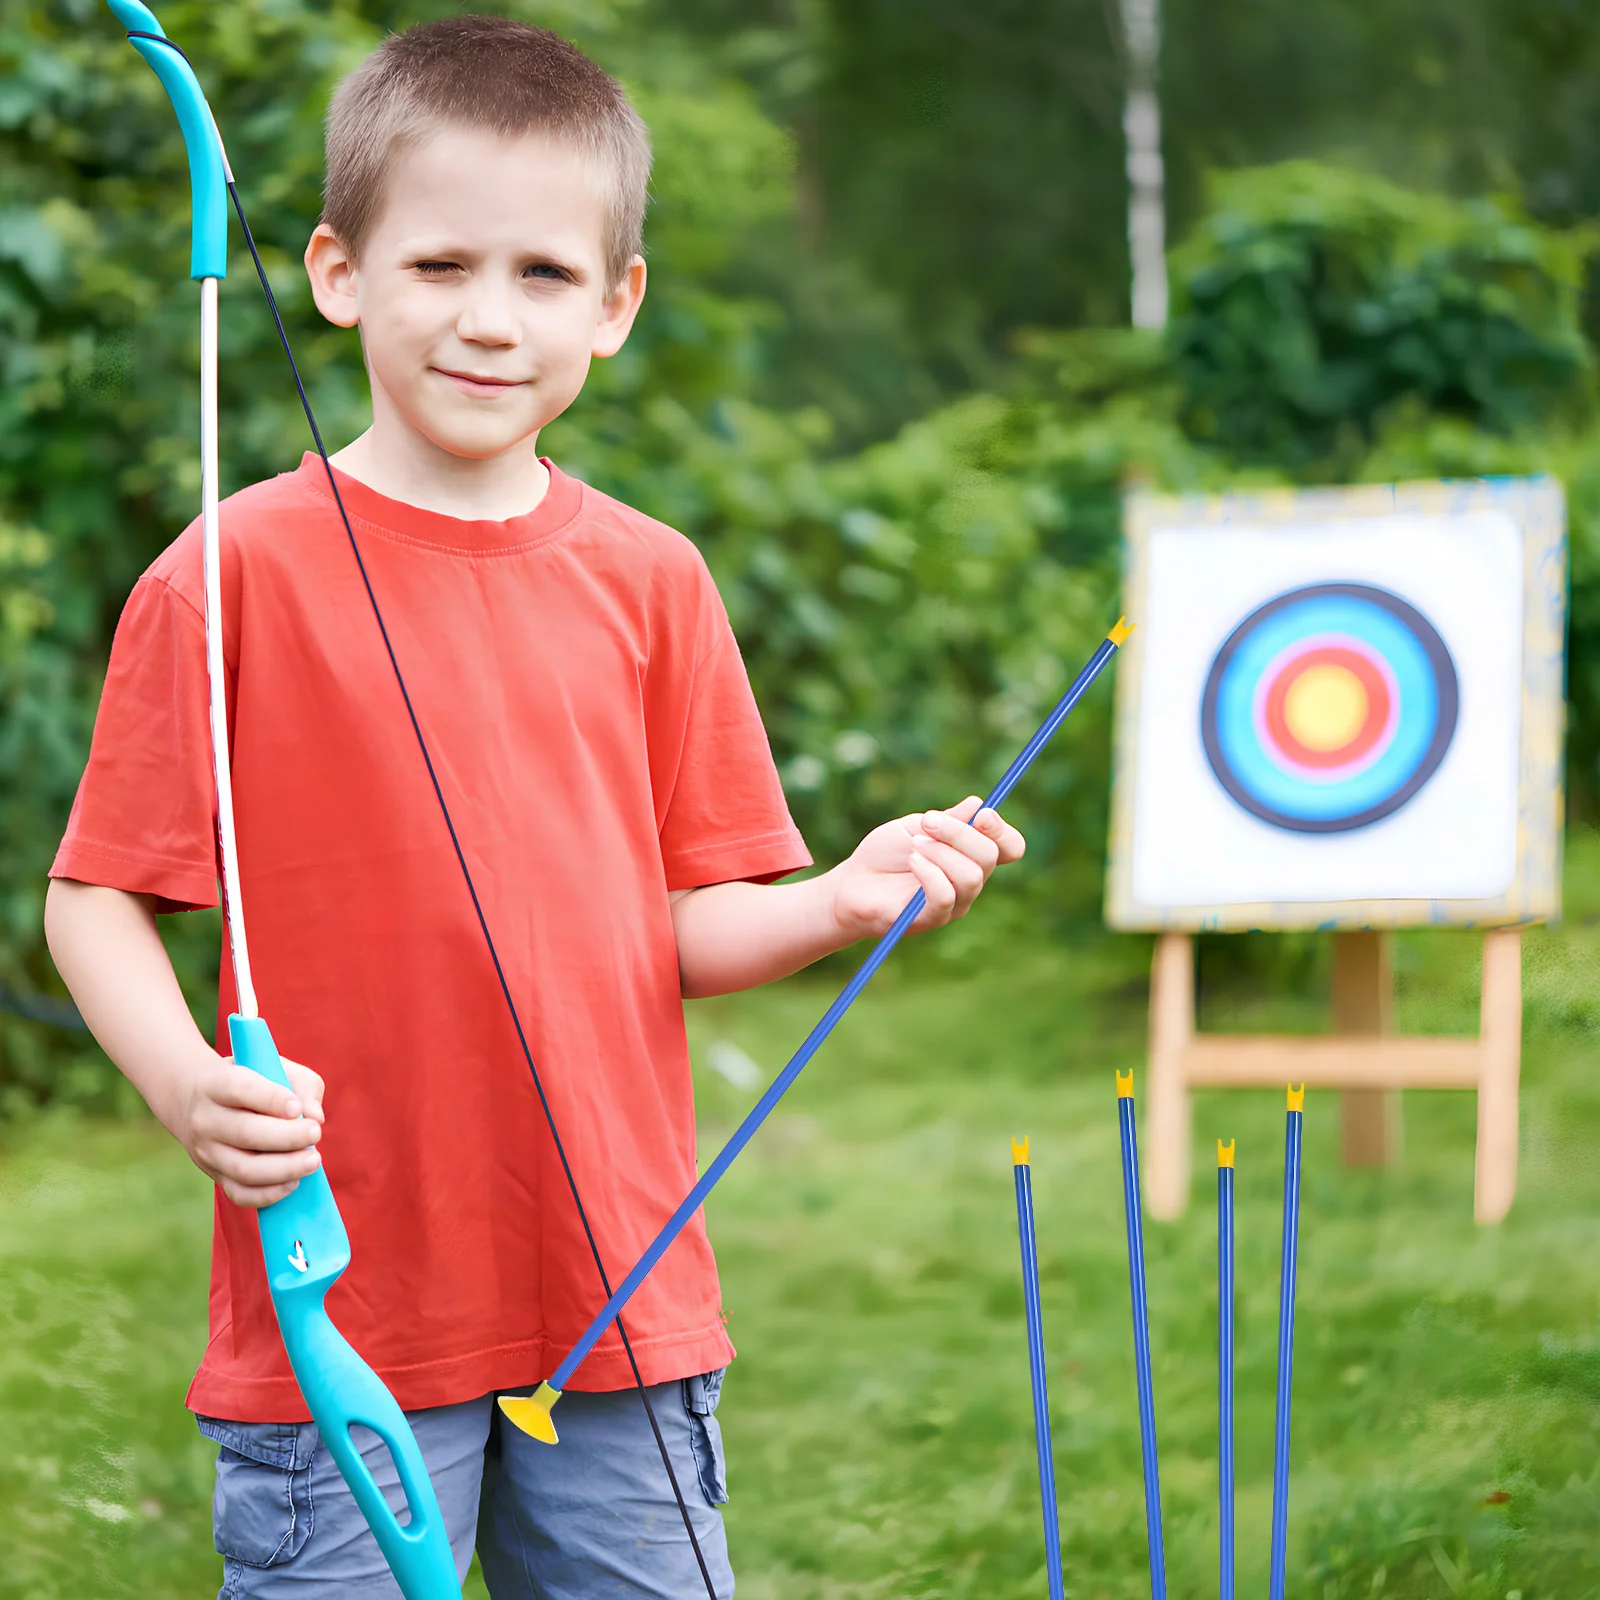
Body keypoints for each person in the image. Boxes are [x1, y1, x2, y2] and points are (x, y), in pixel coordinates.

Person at [43, 16, 1024, 1599]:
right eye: (438, 267)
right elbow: (95, 895)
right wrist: (179, 1084)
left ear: (618, 304)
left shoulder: (653, 582)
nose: (489, 323)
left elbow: (683, 923)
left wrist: (840, 897)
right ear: (338, 271)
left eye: (545, 276)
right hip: (341, 1304)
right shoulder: (227, 576)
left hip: (619, 1307)